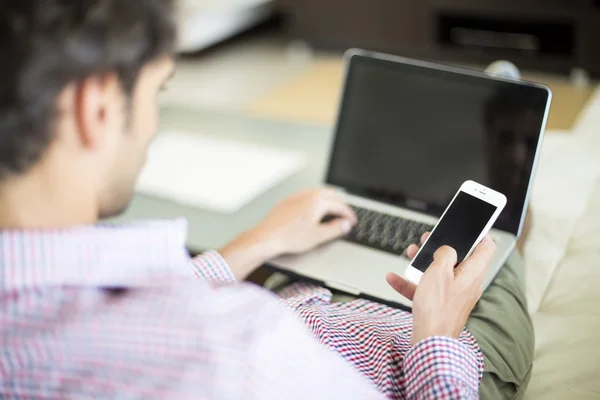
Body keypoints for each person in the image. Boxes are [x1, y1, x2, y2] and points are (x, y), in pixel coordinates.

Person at [0, 1, 533, 399]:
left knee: (309, 261)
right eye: (157, 90)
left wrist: (259, 242)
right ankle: (509, 171)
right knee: (495, 253)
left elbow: (119, 305)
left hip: (307, 311)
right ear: (94, 109)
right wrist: (438, 335)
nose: (152, 125)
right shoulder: (241, 351)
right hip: (421, 361)